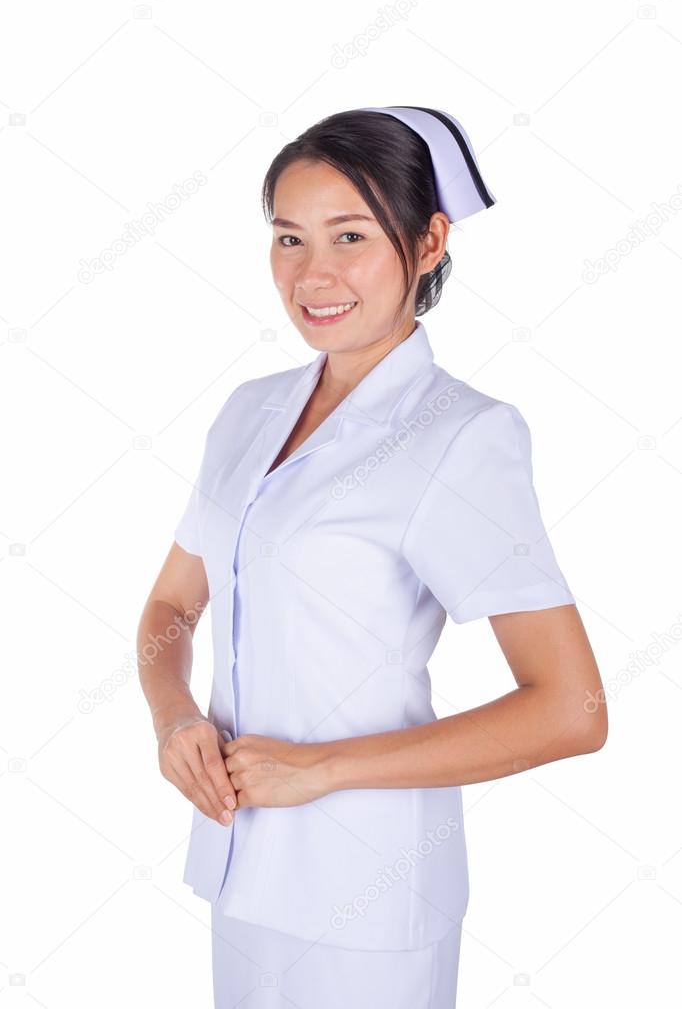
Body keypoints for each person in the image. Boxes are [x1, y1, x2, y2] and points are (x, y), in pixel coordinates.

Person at [137, 106, 608, 1008]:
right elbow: (170, 607)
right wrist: (173, 719)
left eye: (350, 235)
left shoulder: (462, 436)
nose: (313, 274)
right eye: (289, 238)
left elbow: (571, 709)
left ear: (428, 242)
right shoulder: (247, 412)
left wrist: (323, 769)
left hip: (370, 894)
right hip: (239, 865)